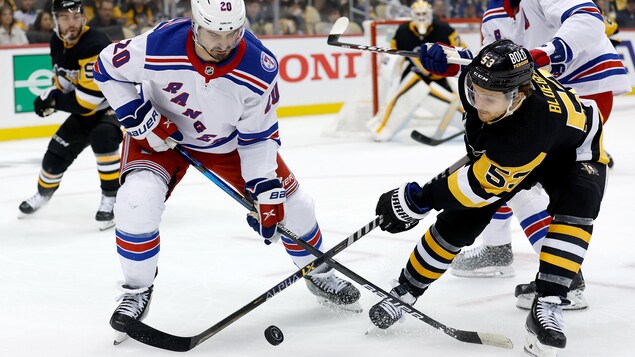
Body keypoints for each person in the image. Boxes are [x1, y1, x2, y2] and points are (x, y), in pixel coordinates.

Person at [92, 0, 361, 344]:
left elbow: (259, 135)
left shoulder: (258, 65)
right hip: (161, 136)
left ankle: (318, 269)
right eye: (214, 34)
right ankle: (136, 290)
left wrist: (264, 190)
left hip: (227, 144)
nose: (223, 43)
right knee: (135, 203)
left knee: (296, 207)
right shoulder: (160, 44)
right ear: (195, 25)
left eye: (232, 33)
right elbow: (105, 66)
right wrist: (135, 112)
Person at [370, 39, 608, 357]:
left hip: (574, 151)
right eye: (474, 92)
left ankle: (549, 303)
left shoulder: (527, 131)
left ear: (517, 96)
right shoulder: (484, 79)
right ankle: (406, 290)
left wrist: (418, 200)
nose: (479, 104)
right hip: (519, 147)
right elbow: (466, 58)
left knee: (578, 208)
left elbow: (476, 188)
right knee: (460, 220)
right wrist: (442, 55)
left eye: (489, 99)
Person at [448, 0, 630, 311]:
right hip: (543, 97)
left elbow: (588, 18)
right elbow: (492, 63)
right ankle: (496, 249)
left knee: (516, 174)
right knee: (497, 165)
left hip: (581, 92)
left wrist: (545, 52)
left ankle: (565, 279)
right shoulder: (495, 10)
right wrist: (449, 59)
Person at [18, 0, 122, 231]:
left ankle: (111, 198)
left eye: (76, 16)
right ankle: (43, 194)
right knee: (54, 157)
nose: (71, 22)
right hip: (86, 109)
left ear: (84, 17)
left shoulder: (94, 42)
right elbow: (64, 80)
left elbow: (88, 101)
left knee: (103, 136)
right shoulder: (57, 40)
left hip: (111, 106)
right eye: (64, 17)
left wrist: (53, 103)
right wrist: (51, 94)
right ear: (56, 20)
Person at [367, 0, 466, 142]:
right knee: (405, 95)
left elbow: (460, 51)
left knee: (455, 106)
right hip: (413, 75)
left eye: (424, 13)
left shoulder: (444, 29)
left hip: (440, 78)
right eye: (418, 14)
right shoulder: (402, 32)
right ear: (412, 15)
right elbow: (393, 56)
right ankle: (382, 129)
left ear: (430, 14)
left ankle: (472, 125)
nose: (421, 17)